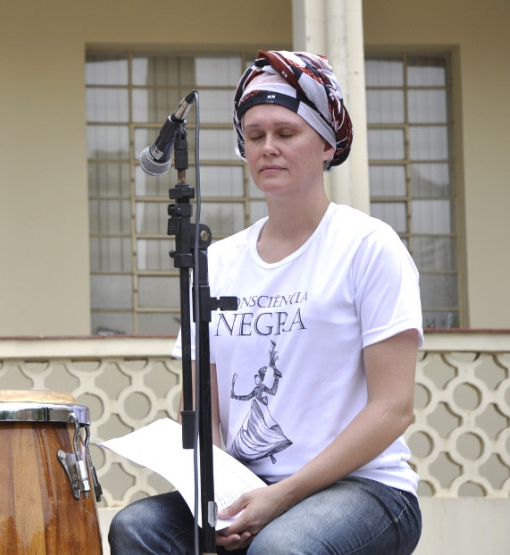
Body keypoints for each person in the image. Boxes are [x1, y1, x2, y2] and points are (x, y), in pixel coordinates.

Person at [108, 50, 423, 554]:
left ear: (325, 143)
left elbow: (393, 408)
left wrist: (278, 499)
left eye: (285, 133)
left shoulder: (369, 246)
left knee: (279, 548)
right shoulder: (219, 260)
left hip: (366, 488)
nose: (267, 148)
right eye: (255, 136)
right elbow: (203, 407)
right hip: (250, 484)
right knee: (137, 528)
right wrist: (213, 499)